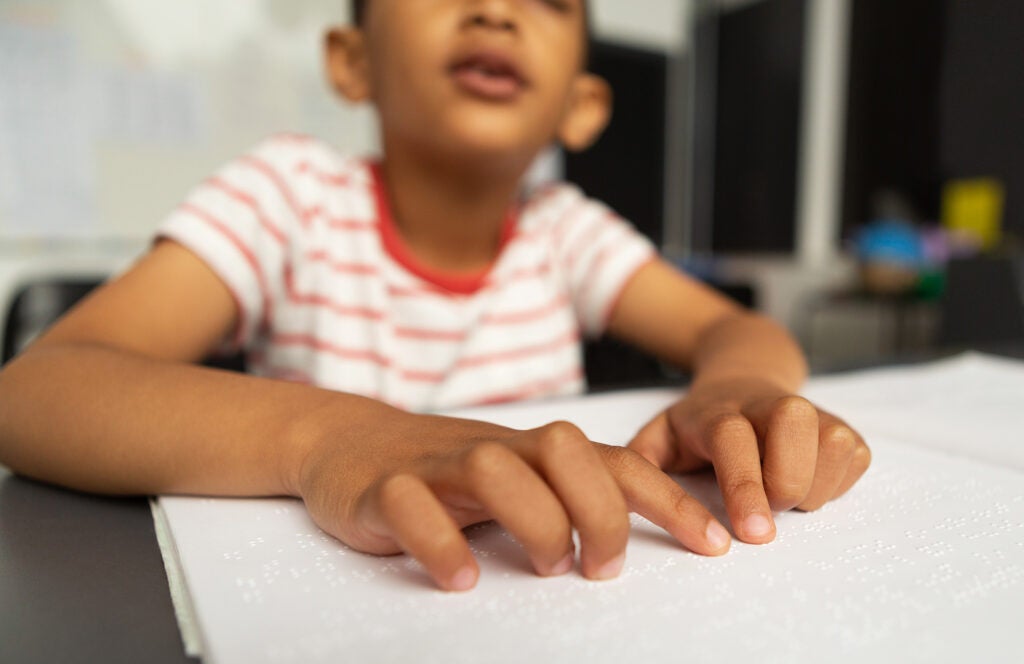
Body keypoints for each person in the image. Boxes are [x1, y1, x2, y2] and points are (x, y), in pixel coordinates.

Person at [0, 0, 870, 592]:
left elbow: (734, 326)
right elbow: (36, 389)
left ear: (582, 104)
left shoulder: (564, 228)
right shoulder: (286, 197)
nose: (495, 8)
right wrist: (334, 437)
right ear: (352, 59)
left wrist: (733, 389)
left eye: (548, 1)